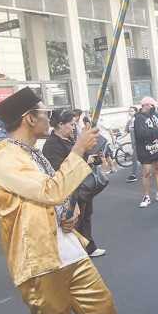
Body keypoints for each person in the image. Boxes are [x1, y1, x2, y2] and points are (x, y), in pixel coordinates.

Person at [0, 87, 122, 314]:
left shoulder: (32, 153)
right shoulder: (3, 160)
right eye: (46, 112)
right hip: (41, 262)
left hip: (71, 251)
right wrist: (78, 150)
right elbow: (49, 191)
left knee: (103, 312)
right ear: (30, 118)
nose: (51, 117)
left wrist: (68, 211)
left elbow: (53, 196)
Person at [42, 108, 106, 258]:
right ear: (59, 124)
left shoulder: (71, 140)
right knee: (74, 221)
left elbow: (80, 158)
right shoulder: (51, 145)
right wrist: (84, 159)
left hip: (82, 185)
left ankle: (88, 246)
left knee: (86, 215)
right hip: (69, 189)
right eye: (71, 124)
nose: (73, 127)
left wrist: (92, 158)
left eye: (74, 124)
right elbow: (57, 170)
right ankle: (76, 251)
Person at [133, 97, 158, 208]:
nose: (154, 108)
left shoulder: (154, 117)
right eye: (152, 106)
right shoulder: (139, 118)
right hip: (145, 150)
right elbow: (141, 134)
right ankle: (146, 196)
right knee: (147, 172)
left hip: (156, 148)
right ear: (146, 105)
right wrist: (155, 131)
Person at [124, 106, 141, 183]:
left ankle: (134, 175)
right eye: (129, 111)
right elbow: (126, 131)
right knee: (138, 159)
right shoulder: (129, 121)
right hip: (134, 144)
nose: (130, 112)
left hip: (139, 143)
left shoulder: (138, 120)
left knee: (135, 159)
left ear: (136, 112)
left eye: (132, 111)